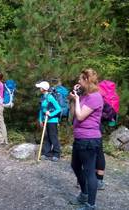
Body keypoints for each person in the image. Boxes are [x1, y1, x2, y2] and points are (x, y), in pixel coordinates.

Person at [69, 68, 103, 210]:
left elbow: (81, 116)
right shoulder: (84, 96)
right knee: (75, 166)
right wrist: (73, 99)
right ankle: (84, 194)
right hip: (80, 138)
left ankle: (91, 204)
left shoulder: (95, 97)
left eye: (80, 79)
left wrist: (77, 99)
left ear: (87, 80)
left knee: (89, 171)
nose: (78, 81)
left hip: (89, 139)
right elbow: (74, 114)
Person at [36, 81, 62, 161]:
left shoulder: (50, 97)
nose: (39, 88)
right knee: (46, 137)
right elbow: (41, 109)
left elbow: (59, 109)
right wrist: (40, 119)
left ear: (44, 89)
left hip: (52, 120)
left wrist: (50, 114)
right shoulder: (43, 97)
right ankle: (46, 153)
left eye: (40, 87)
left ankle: (56, 154)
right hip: (45, 120)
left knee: (53, 137)